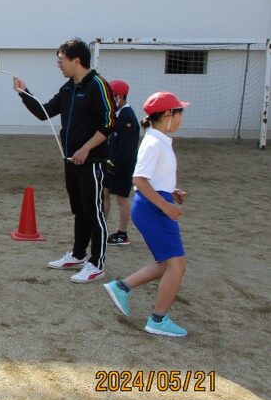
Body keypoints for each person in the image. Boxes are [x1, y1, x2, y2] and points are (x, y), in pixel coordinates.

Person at [13, 38, 116, 283]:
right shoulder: (68, 89)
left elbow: (110, 122)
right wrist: (24, 92)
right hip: (70, 160)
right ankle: (78, 255)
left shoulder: (98, 85)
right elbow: (43, 112)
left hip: (91, 162)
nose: (59, 65)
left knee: (94, 213)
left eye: (61, 60)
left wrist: (86, 149)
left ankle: (97, 264)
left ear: (76, 60)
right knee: (79, 211)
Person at [104, 92, 190, 337]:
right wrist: (165, 206)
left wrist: (170, 192)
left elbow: (151, 178)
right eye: (179, 112)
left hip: (155, 203)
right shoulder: (154, 142)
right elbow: (139, 179)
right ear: (167, 114)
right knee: (177, 264)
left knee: (167, 262)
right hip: (154, 208)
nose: (181, 118)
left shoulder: (158, 140)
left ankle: (122, 287)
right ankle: (158, 320)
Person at [103, 80, 140, 246]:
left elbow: (127, 148)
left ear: (119, 96)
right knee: (104, 194)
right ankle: (101, 226)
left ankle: (122, 233)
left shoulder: (128, 117)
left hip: (122, 166)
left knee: (121, 198)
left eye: (111, 97)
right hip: (111, 163)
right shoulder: (117, 115)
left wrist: (114, 166)